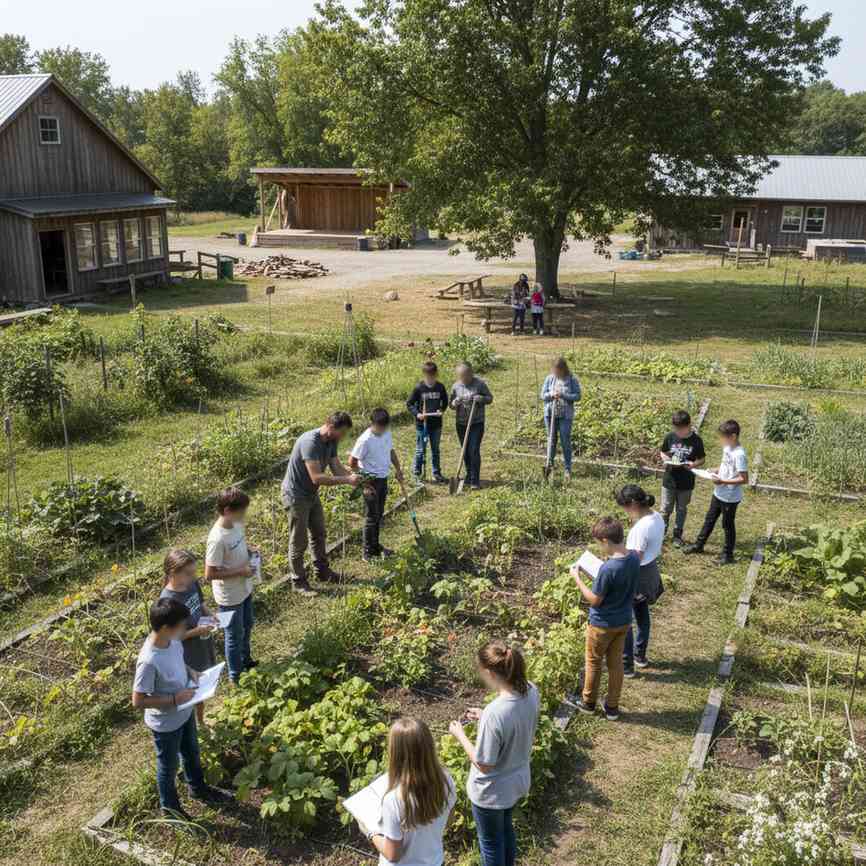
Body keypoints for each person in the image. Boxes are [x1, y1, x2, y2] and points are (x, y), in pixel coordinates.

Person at [132, 597, 231, 820]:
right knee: (168, 766)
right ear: (166, 628)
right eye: (181, 625)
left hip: (185, 711)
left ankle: (198, 788)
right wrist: (174, 699)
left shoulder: (172, 640)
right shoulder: (148, 661)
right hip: (166, 724)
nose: (186, 628)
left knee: (191, 752)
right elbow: (138, 700)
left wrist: (191, 672)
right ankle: (170, 809)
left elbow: (178, 661)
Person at [448, 641, 539, 866]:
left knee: (490, 844)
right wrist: (484, 715)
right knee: (506, 831)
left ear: (489, 673)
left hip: (491, 792)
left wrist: (460, 735)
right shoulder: (531, 690)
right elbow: (515, 721)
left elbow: (484, 763)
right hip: (516, 782)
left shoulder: (495, 713)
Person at [280, 412, 360, 593]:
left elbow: (335, 466)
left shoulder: (331, 441)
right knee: (298, 540)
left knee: (319, 533)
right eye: (343, 432)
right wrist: (347, 481)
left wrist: (355, 479)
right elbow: (316, 477)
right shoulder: (310, 442)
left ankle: (322, 571)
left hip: (310, 494)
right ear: (332, 427)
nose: (344, 436)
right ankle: (298, 581)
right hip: (296, 495)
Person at [363, 718, 456, 866]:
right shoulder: (446, 780)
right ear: (429, 746)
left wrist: (371, 832)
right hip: (435, 861)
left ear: (395, 752)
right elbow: (449, 821)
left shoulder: (394, 799)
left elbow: (393, 855)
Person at [572, 517, 640, 720]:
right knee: (615, 664)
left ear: (604, 540)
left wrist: (577, 577)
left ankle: (588, 703)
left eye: (598, 543)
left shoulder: (608, 569)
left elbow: (594, 599)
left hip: (602, 624)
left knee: (593, 662)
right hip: (624, 621)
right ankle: (612, 707)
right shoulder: (634, 558)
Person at [205, 488, 258, 686]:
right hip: (229, 596)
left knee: (248, 625)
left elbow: (239, 545)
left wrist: (251, 551)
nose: (244, 515)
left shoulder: (236, 525)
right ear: (227, 510)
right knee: (234, 635)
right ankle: (236, 676)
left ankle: (246, 661)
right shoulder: (217, 539)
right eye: (241, 511)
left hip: (244, 587)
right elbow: (209, 574)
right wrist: (239, 571)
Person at [159, 549, 216, 723]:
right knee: (191, 688)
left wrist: (210, 614)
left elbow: (200, 602)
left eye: (194, 572)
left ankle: (201, 721)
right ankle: (191, 722)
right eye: (188, 573)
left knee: (201, 685)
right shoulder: (168, 601)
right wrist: (196, 632)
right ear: (172, 574)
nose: (193, 577)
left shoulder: (191, 584)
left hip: (202, 643)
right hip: (186, 652)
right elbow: (170, 638)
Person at [615, 484, 665, 676]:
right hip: (650, 571)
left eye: (625, 508)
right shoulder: (657, 517)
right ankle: (640, 656)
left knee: (625, 619)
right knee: (642, 614)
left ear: (634, 504)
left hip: (637, 576)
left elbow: (634, 560)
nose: (626, 512)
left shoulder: (641, 529)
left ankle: (626, 666)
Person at [685, 420, 749, 565]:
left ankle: (728, 555)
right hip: (718, 493)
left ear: (733, 436)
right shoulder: (728, 449)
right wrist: (715, 470)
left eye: (723, 437)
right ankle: (699, 545)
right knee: (709, 519)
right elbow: (725, 466)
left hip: (730, 497)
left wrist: (723, 482)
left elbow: (744, 478)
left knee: (727, 525)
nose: (720, 440)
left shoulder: (739, 454)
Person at [349, 407, 405, 562]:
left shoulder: (386, 433)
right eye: (380, 427)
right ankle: (367, 552)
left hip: (383, 478)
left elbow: (391, 451)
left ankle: (375, 546)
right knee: (371, 517)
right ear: (372, 423)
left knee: (379, 514)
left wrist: (398, 468)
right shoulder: (365, 440)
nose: (382, 430)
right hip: (371, 481)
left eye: (385, 426)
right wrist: (364, 483)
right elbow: (352, 462)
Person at [659, 410, 706, 546]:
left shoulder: (696, 441)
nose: (678, 431)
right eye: (676, 428)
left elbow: (701, 459)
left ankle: (677, 535)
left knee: (681, 509)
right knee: (665, 508)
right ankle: (661, 532)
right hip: (669, 479)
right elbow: (663, 451)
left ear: (689, 425)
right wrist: (666, 458)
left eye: (681, 429)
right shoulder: (670, 437)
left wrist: (693, 464)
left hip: (686, 481)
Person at [450, 362, 494, 491]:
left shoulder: (479, 384)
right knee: (465, 450)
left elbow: (490, 398)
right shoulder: (456, 386)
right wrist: (454, 402)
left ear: (471, 374)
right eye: (461, 376)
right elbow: (451, 406)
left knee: (474, 450)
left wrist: (481, 398)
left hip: (476, 423)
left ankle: (475, 480)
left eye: (466, 376)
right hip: (461, 423)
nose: (464, 379)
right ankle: (468, 475)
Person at [407, 361, 449, 483]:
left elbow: (445, 402)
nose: (430, 378)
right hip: (422, 425)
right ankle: (417, 474)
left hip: (436, 424)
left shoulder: (440, 387)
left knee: (435, 449)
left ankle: (437, 473)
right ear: (424, 374)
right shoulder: (419, 388)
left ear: (436, 374)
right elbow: (409, 404)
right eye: (427, 375)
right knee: (420, 450)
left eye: (432, 375)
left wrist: (441, 410)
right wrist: (417, 414)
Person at [540, 357, 582, 480]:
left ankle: (567, 468)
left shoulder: (572, 380)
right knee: (551, 440)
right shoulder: (549, 379)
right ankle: (549, 464)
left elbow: (578, 396)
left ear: (563, 369)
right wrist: (551, 395)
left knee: (565, 440)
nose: (556, 373)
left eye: (558, 370)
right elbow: (542, 395)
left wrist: (564, 395)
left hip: (565, 415)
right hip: (550, 413)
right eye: (554, 370)